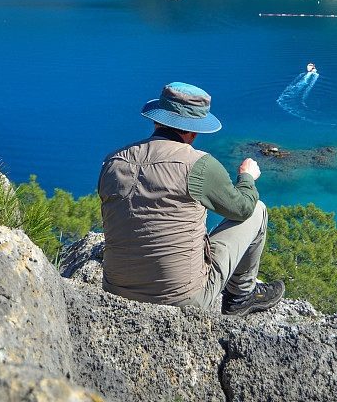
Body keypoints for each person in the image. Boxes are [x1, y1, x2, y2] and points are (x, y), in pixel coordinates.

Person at [98, 81, 285, 316]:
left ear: (157, 119)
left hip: (115, 290)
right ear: (195, 131)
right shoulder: (198, 164)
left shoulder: (114, 161)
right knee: (257, 209)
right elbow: (242, 208)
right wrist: (247, 178)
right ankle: (241, 296)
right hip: (182, 298)